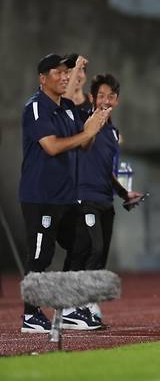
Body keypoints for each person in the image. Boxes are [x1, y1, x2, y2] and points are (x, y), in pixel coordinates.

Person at [19, 53, 110, 333]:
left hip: (67, 196)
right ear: (42, 78)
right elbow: (52, 146)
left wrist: (94, 126)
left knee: (83, 244)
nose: (64, 76)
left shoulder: (67, 107)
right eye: (57, 72)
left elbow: (82, 146)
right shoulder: (36, 108)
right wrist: (87, 132)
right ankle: (30, 315)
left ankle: (70, 307)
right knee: (40, 256)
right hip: (41, 195)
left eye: (66, 72)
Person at [68, 73, 144, 324]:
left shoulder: (112, 132)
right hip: (85, 198)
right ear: (92, 97)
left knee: (99, 255)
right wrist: (92, 126)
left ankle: (84, 305)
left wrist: (124, 193)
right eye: (101, 95)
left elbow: (107, 170)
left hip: (105, 200)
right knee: (91, 248)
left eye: (111, 96)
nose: (105, 100)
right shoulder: (84, 122)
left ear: (117, 100)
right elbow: (83, 146)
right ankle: (77, 305)